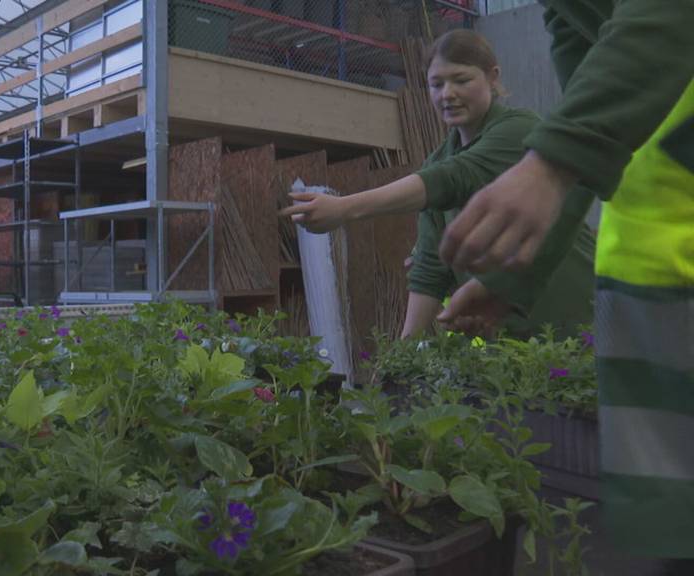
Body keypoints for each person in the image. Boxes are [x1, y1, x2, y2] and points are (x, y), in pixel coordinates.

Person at [435, 1, 694, 569]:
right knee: (668, 522)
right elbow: (591, 126)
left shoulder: (512, 130)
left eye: (460, 80)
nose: (447, 94)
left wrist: (548, 164)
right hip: (651, 265)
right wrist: (510, 274)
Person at [281, 29, 595, 340]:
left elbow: (456, 177)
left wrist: (344, 208)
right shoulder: (436, 161)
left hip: (578, 326)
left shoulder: (520, 130)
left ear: (493, 77)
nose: (447, 94)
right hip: (509, 344)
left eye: (461, 80)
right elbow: (430, 269)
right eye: (437, 84)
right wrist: (402, 355)